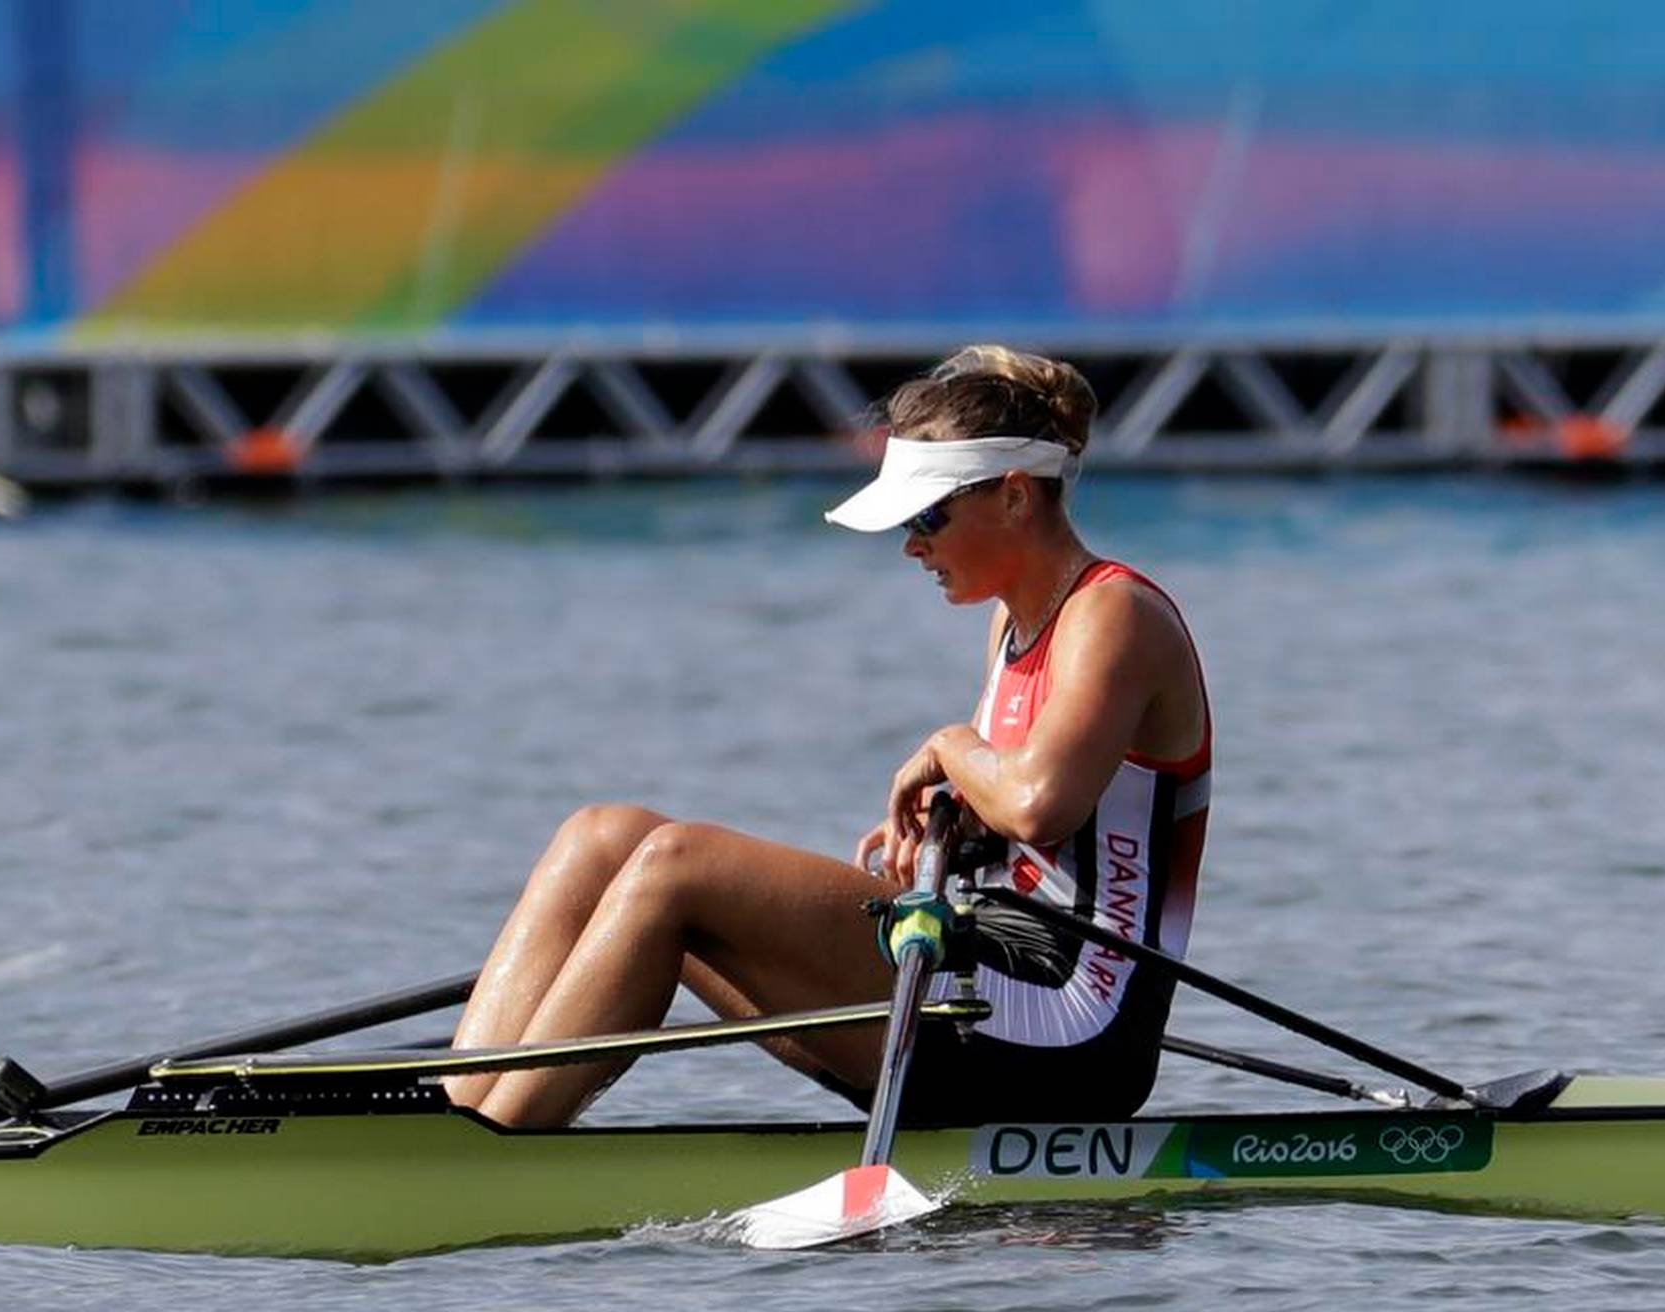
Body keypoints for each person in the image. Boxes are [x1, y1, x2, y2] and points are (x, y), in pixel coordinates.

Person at [447, 346, 1211, 1130]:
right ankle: (453, 1111)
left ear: (1015, 497)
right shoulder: (1012, 626)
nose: (913, 544)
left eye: (926, 516)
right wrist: (956, 823)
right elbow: (1038, 817)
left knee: (676, 867)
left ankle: (491, 1151)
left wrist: (952, 747)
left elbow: (1041, 802)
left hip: (1072, 1024)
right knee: (602, 837)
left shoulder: (1114, 616)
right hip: (980, 974)